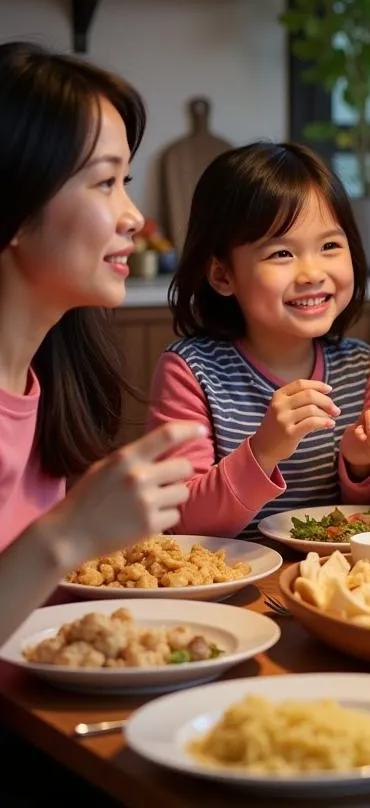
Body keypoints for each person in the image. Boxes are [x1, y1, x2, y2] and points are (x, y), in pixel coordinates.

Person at [0, 40, 203, 644]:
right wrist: (68, 534)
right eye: (105, 182)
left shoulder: (47, 378)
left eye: (127, 181)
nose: (134, 215)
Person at [147, 142, 370, 538]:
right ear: (222, 275)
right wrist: (263, 450)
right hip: (232, 586)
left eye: (330, 246)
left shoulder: (359, 366)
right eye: (281, 253)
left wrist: (361, 464)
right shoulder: (191, 371)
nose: (312, 273)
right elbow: (180, 523)